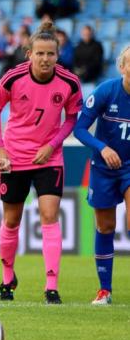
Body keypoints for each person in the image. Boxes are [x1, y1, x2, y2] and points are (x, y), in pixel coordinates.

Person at [0, 22, 82, 304]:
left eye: (50, 54)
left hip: (49, 159)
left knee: (49, 217)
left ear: (58, 54)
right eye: (39, 53)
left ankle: (51, 286)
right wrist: (0, 150)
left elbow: (72, 119)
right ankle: (7, 278)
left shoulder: (69, 83)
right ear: (29, 53)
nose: (44, 59)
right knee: (12, 220)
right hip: (14, 157)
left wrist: (52, 145)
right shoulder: (13, 78)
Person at [73, 45, 130, 305]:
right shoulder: (107, 90)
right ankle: (104, 290)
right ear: (122, 67)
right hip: (103, 169)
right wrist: (102, 147)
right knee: (105, 226)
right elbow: (80, 129)